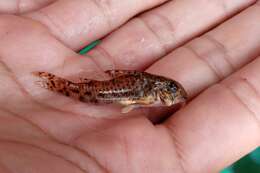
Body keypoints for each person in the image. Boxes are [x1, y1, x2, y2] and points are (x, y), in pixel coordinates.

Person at [0, 0, 259, 172]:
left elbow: (134, 95)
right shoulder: (151, 92)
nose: (173, 96)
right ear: (161, 92)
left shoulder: (153, 90)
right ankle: (55, 84)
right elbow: (136, 98)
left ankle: (56, 84)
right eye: (171, 92)